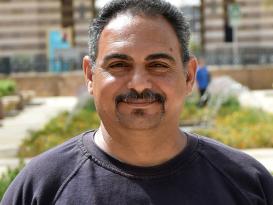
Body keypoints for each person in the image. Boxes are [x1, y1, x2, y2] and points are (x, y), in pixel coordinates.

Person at [2, 0, 273, 204]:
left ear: (189, 75)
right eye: (119, 64)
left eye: (158, 65)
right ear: (89, 75)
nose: (139, 84)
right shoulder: (40, 187)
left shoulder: (248, 183)